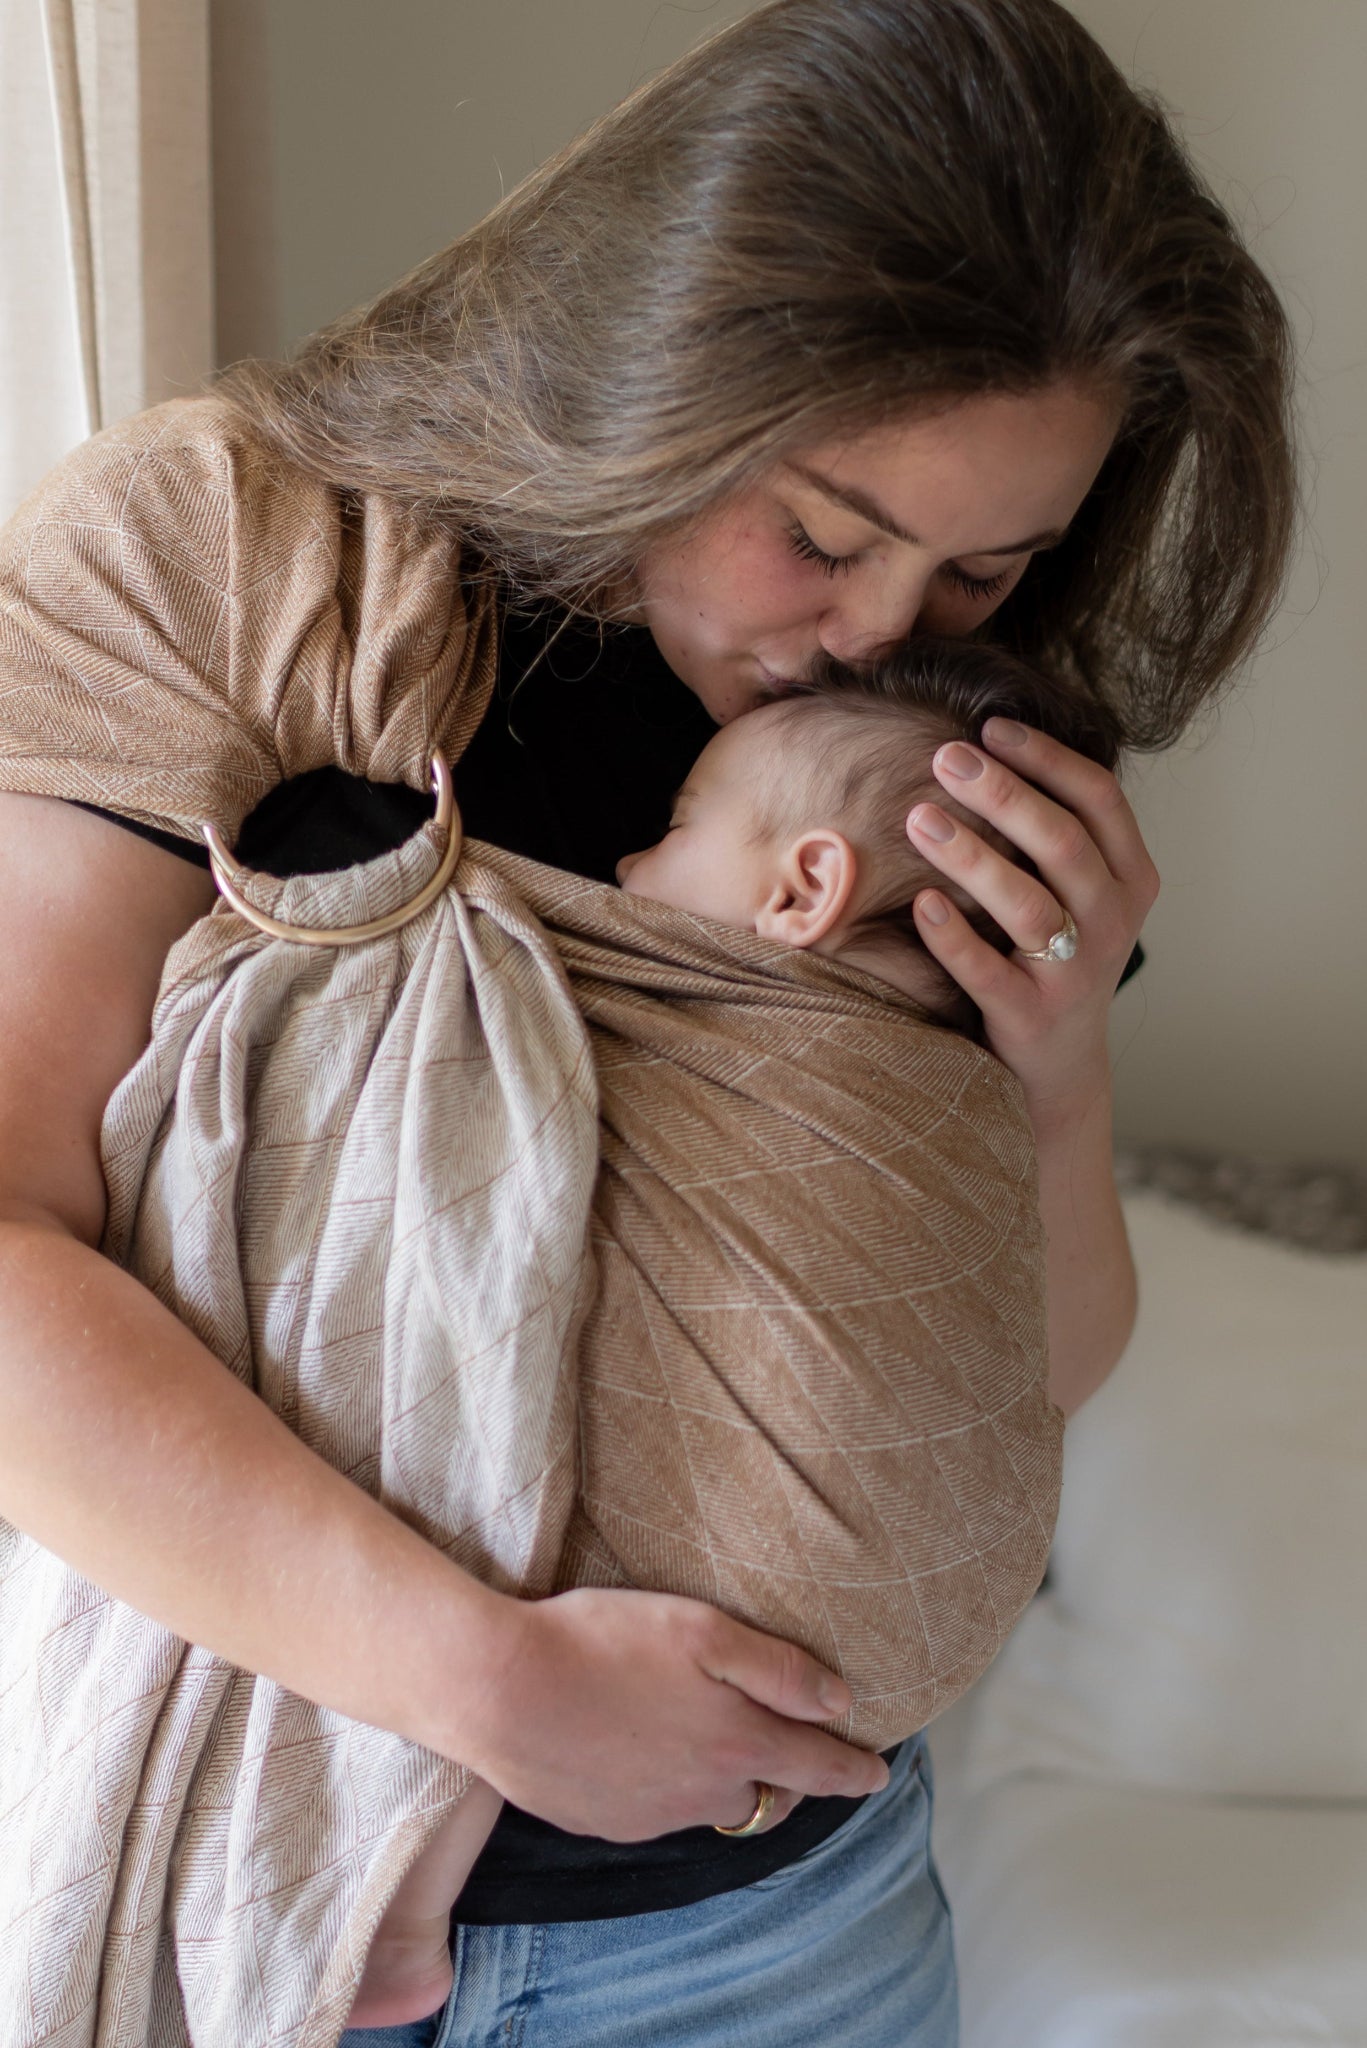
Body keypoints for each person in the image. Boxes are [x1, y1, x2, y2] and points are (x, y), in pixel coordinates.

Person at [0, 1, 1294, 2043]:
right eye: (825, 530)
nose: (875, 633)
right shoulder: (232, 563)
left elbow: (1000, 1369)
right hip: (281, 1897)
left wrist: (1052, 1085)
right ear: (652, 362)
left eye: (989, 566)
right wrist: (486, 1685)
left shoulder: (926, 770)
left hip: (782, 1934)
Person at [345, 634, 1122, 2033]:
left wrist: (1061, 1079)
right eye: (824, 538)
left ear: (803, 889)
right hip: (810, 1738)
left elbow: (1039, 1368)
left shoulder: (928, 1059)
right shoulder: (365, 651)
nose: (634, 871)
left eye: (675, 834)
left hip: (776, 1903)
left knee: (485, 1446)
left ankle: (411, 1886)